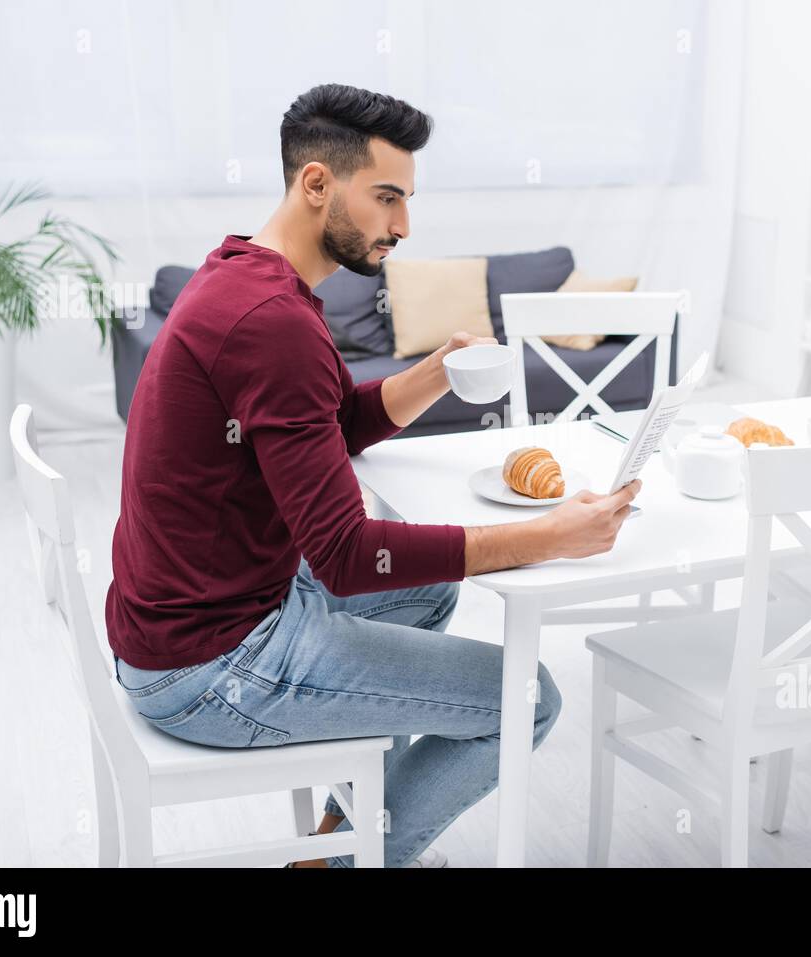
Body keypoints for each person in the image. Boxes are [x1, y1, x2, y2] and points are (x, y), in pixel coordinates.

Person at [105, 83, 641, 868]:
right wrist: (547, 537)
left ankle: (340, 839)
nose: (403, 226)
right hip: (212, 666)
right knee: (527, 697)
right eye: (387, 197)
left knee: (431, 591)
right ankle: (353, 862)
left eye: (407, 199)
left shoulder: (243, 275)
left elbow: (320, 424)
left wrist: (432, 374)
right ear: (316, 183)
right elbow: (349, 558)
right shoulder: (275, 323)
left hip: (188, 624)